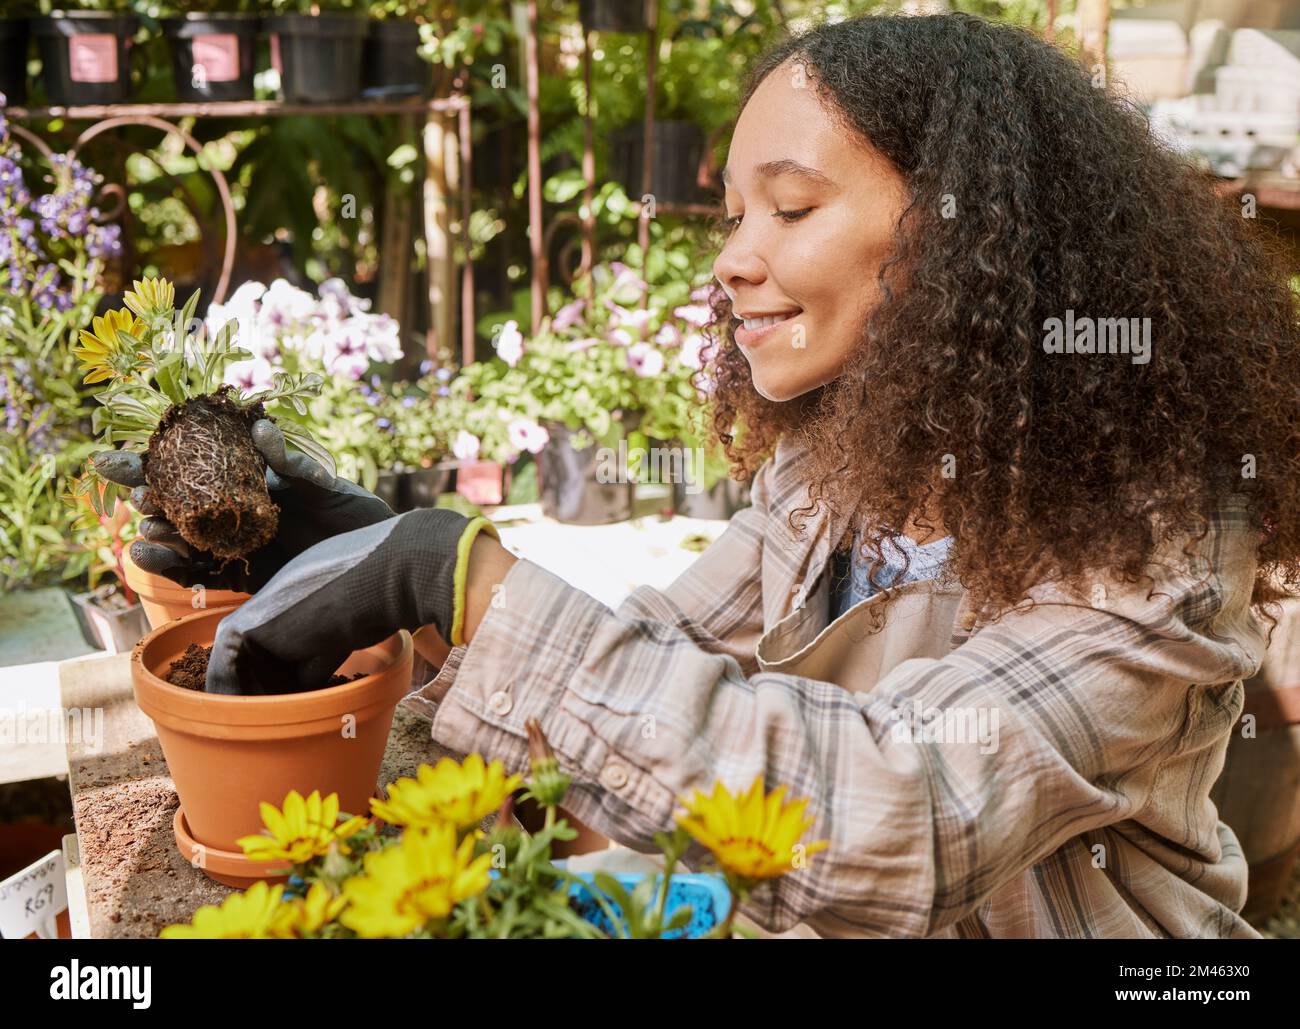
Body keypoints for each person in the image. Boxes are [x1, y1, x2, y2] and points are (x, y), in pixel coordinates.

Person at [97, 12, 1300, 938]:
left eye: (789, 207)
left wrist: (451, 577)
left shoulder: (1160, 548)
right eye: (734, 213)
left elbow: (899, 815)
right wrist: (394, 562)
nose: (733, 258)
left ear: (961, 235)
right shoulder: (841, 468)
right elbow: (666, 663)